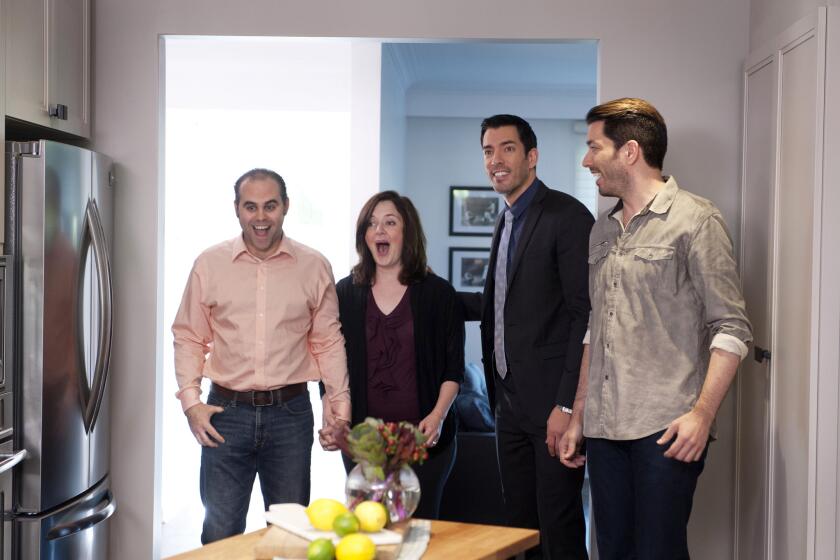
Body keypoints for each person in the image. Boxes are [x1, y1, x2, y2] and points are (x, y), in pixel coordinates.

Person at [560, 98, 753, 559]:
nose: (587, 161)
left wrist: (702, 415)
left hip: (665, 428)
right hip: (605, 430)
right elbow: (596, 325)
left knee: (657, 552)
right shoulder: (602, 231)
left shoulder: (696, 220)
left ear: (629, 151)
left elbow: (732, 328)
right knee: (612, 551)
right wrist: (579, 414)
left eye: (594, 147)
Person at [171, 168, 350, 544]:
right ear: (237, 209)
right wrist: (191, 403)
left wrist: (339, 406)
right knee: (220, 534)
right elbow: (189, 335)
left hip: (291, 415)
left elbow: (328, 342)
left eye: (270, 206)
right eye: (250, 207)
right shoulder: (209, 264)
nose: (261, 217)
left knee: (290, 537)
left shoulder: (314, 266)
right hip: (225, 415)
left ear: (286, 206)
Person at [460, 115, 593, 558]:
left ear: (532, 156)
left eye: (507, 148)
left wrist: (567, 405)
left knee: (559, 529)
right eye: (487, 150)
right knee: (519, 532)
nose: (495, 159)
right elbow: (501, 306)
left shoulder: (566, 216)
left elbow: (584, 317)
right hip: (508, 406)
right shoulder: (506, 219)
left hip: (551, 408)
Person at [335, 191, 464, 520]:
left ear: (407, 233)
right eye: (371, 224)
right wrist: (335, 416)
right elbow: (332, 364)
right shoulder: (345, 293)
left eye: (390, 222)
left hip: (424, 445)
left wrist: (437, 416)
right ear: (364, 235)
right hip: (364, 443)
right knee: (369, 533)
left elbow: (453, 370)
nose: (379, 230)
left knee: (419, 533)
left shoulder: (438, 294)